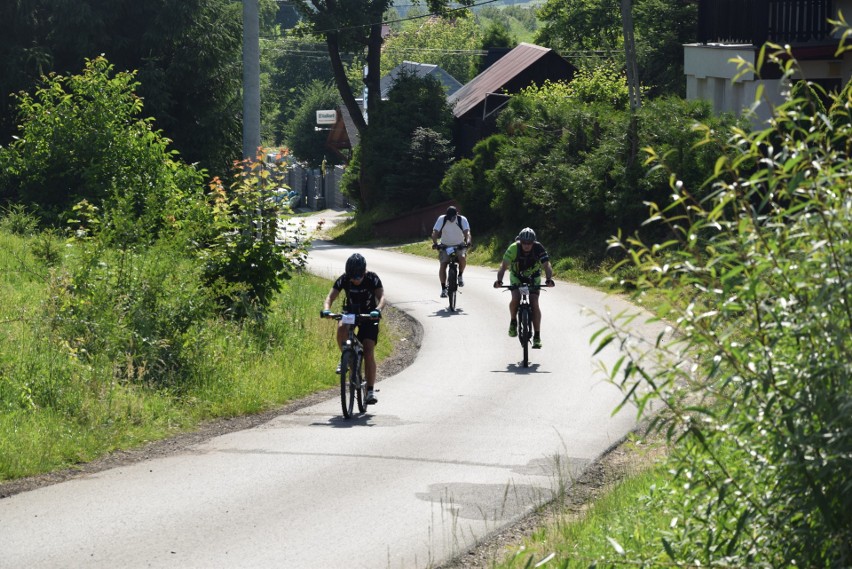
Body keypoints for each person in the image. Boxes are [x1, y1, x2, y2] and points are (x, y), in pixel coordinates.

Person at [321, 253, 386, 404]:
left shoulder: (372, 278)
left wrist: (378, 310)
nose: (355, 281)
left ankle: (370, 391)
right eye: (352, 278)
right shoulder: (344, 278)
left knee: (369, 350)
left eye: (358, 277)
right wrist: (326, 309)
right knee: (341, 327)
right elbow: (330, 297)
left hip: (370, 315)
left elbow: (382, 297)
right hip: (351, 313)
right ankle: (346, 355)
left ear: (364, 272)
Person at [492, 227, 555, 349]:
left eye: (529, 243)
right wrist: (499, 280)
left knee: (534, 302)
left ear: (533, 242)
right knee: (515, 298)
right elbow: (503, 266)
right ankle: (513, 321)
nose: (526, 245)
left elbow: (547, 265)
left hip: (534, 277)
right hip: (516, 277)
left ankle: (537, 336)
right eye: (524, 243)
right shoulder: (514, 248)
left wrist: (548, 279)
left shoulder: (538, 248)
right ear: (520, 241)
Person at [431, 205, 472, 298]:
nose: (451, 220)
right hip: (445, 245)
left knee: (462, 258)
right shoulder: (442, 219)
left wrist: (468, 242)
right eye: (449, 218)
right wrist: (435, 243)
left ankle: (460, 276)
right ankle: (443, 289)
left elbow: (467, 232)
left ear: (457, 214)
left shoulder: (462, 219)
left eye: (453, 217)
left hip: (459, 245)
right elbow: (435, 232)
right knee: (443, 264)